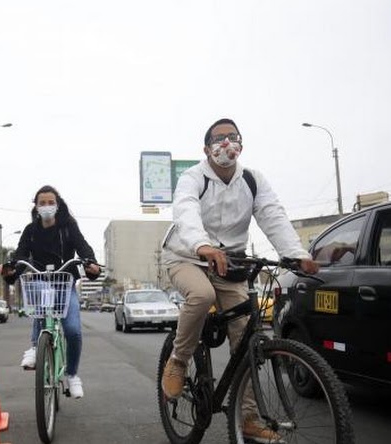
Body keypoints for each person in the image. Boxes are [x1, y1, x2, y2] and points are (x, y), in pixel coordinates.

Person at [160, 118, 319, 443]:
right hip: (186, 256)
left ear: (241, 145)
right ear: (206, 149)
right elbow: (186, 210)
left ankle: (247, 418)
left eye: (232, 137)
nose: (226, 143)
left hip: (230, 263)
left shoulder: (252, 180)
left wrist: (295, 252)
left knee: (245, 339)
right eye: (218, 139)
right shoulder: (193, 177)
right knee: (202, 296)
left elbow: (272, 215)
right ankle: (178, 359)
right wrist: (201, 245)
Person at [0, 185, 100, 399]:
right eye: (41, 203)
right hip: (40, 281)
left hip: (65, 282)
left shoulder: (69, 226)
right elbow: (21, 256)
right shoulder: (30, 230)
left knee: (73, 330)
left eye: (50, 202)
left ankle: (72, 375)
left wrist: (91, 264)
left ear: (58, 204)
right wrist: (10, 269)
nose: (46, 206)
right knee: (42, 297)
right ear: (35, 207)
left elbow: (83, 248)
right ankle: (36, 347)